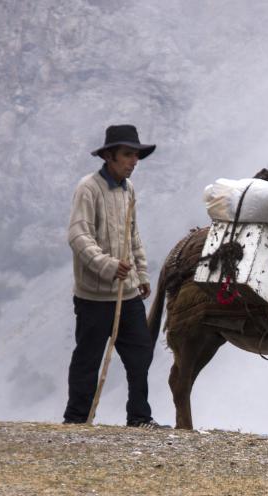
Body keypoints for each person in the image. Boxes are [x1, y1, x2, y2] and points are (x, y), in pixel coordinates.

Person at [62, 124, 166, 428]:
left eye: (136, 155)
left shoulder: (128, 190)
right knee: (88, 359)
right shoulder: (88, 188)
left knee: (140, 354)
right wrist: (107, 265)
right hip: (94, 296)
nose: (134, 161)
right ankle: (76, 420)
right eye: (127, 155)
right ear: (109, 156)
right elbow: (78, 236)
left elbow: (133, 235)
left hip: (127, 292)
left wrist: (142, 273)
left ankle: (139, 418)